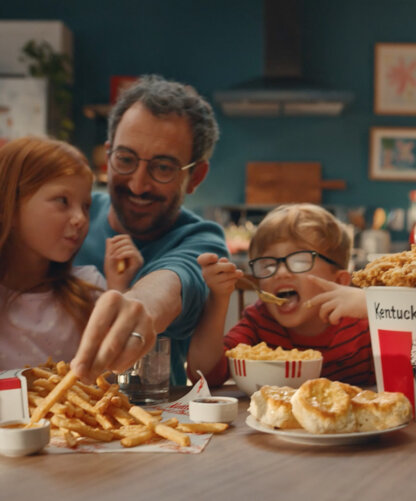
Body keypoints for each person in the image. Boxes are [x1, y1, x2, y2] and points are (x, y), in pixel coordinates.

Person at [72, 74, 228, 385]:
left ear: (195, 176)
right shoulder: (69, 215)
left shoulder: (201, 241)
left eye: (163, 168)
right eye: (125, 159)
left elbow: (171, 283)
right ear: (107, 157)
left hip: (149, 422)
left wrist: (138, 306)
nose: (138, 184)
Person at [187, 203, 374, 387]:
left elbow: (400, 375)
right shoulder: (260, 322)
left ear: (339, 281)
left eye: (300, 261)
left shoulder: (363, 327)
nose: (281, 272)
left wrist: (375, 309)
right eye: (267, 264)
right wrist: (218, 298)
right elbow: (204, 376)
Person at [0, 136, 141, 369]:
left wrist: (117, 290)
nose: (80, 219)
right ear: (10, 206)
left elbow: (114, 378)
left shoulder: (89, 289)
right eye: (63, 201)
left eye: (86, 206)